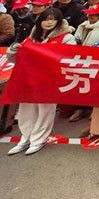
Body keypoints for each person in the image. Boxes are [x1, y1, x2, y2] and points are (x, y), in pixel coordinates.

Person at [6, 9, 77, 156]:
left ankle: (39, 139)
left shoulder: (66, 37)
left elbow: (70, 57)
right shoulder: (32, 37)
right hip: (29, 80)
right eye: (46, 19)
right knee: (26, 109)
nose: (49, 22)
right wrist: (14, 49)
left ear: (59, 21)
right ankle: (25, 137)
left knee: (45, 110)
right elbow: (14, 59)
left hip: (49, 80)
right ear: (40, 21)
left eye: (53, 19)